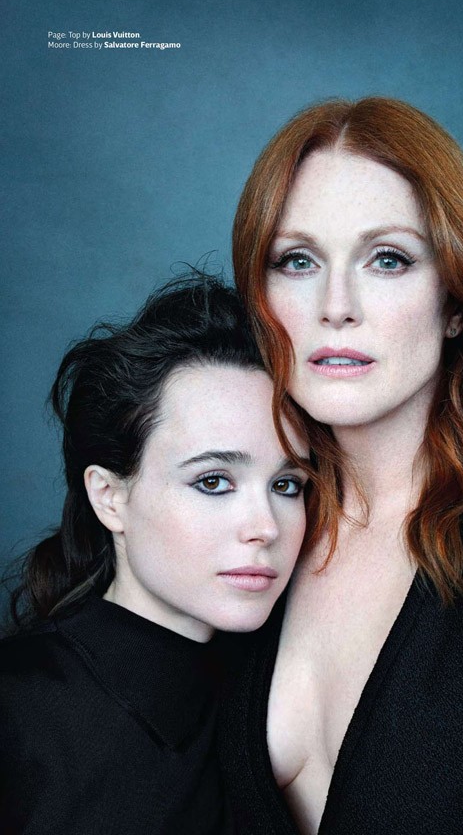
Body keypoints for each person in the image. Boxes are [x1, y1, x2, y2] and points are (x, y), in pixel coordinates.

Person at [218, 98, 463, 834]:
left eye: (388, 259)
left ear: (457, 302)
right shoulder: (255, 536)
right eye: (297, 261)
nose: (337, 306)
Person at [0, 272, 310, 834]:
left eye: (287, 485)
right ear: (110, 497)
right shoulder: (20, 711)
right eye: (213, 481)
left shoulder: (281, 691)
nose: (265, 527)